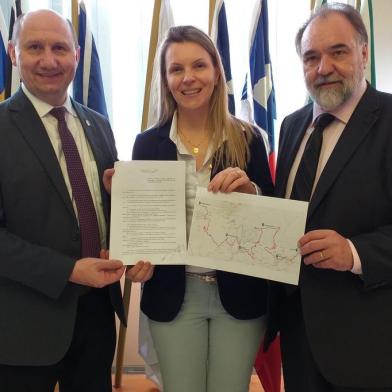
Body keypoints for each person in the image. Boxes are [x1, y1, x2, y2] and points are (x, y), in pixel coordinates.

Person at [105, 25, 274, 392]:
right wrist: (136, 260)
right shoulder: (147, 143)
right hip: (173, 294)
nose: (188, 78)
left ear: (216, 72)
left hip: (240, 295)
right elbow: (143, 227)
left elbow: (274, 218)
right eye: (176, 69)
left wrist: (252, 190)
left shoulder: (249, 139)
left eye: (198, 65)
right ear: (166, 80)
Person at [0, 9, 126, 392]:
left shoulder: (98, 125)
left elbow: (105, 213)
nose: (49, 60)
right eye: (34, 47)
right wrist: (69, 270)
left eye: (59, 48)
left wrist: (120, 203)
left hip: (98, 314)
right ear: (13, 52)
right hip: (24, 327)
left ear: (76, 54)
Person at [271, 3, 392, 391]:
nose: (323, 68)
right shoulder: (291, 127)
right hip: (298, 335)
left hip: (368, 342)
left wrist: (354, 253)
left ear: (363, 52)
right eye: (311, 57)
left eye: (337, 52)